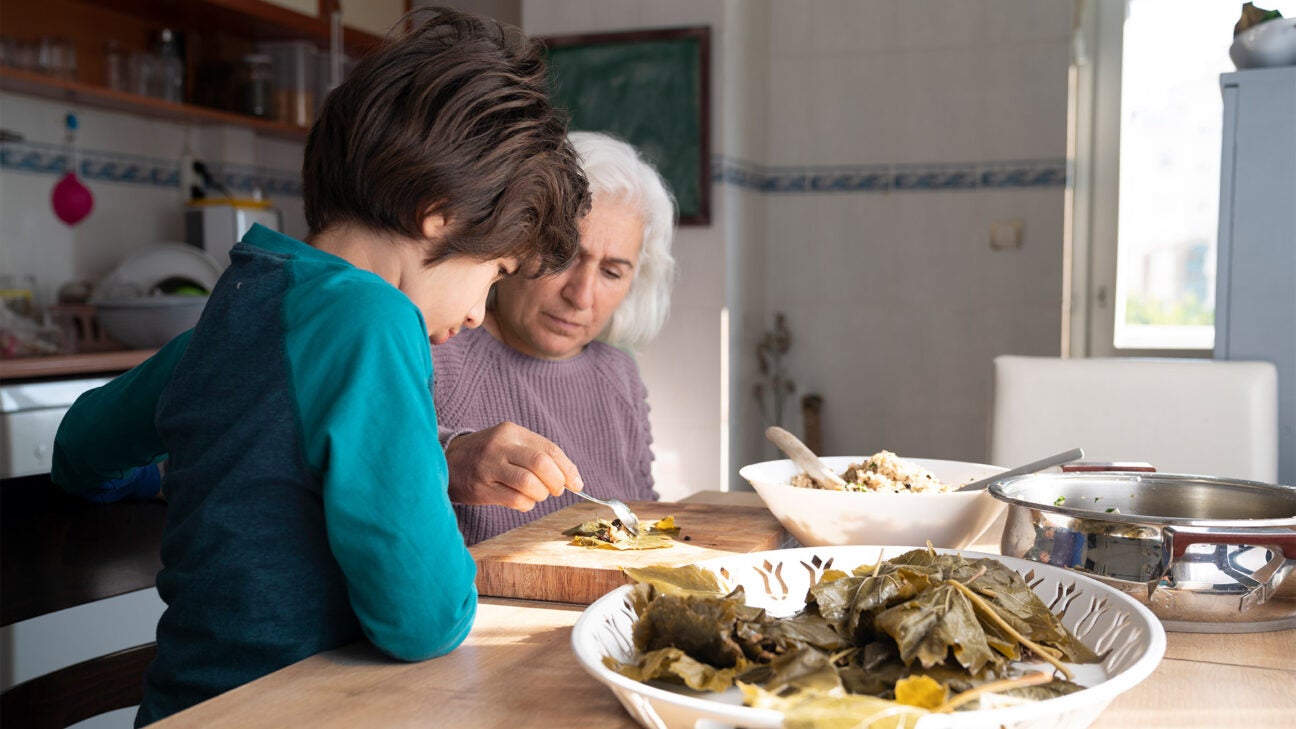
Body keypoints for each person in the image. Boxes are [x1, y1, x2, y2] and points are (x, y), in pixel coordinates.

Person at [50, 8, 589, 726]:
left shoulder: (238, 305)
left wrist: (190, 471)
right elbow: (424, 617)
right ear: (441, 212)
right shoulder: (374, 320)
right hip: (289, 710)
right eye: (495, 273)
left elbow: (80, 448)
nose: (477, 314)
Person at [432, 131, 677, 545]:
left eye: (612, 272)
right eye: (564, 258)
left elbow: (642, 518)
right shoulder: (440, 346)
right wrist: (447, 457)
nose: (581, 296)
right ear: (515, 240)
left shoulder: (618, 374)